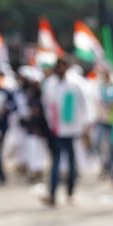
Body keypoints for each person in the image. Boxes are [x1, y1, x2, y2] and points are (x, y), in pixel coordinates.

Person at [41, 55, 90, 206]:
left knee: (71, 161)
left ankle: (70, 192)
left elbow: (84, 105)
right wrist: (51, 125)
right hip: (56, 130)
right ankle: (52, 193)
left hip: (73, 128)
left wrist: (84, 125)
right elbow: (47, 106)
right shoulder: (50, 84)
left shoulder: (75, 84)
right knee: (55, 161)